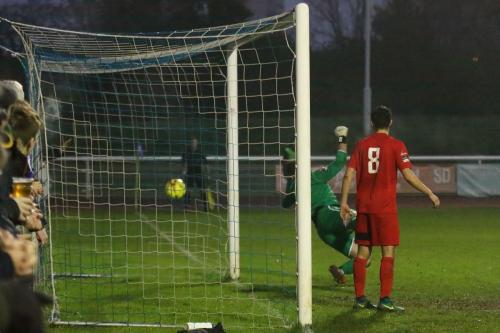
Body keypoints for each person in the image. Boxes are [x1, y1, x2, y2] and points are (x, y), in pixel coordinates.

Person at [340, 105, 440, 311]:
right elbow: (408, 174)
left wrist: (343, 202)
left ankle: (360, 299)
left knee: (362, 254)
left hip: (364, 208)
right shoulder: (396, 145)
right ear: (391, 122)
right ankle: (385, 300)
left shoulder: (361, 145)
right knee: (388, 253)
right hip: (385, 209)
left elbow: (348, 174)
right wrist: (429, 192)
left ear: (372, 123)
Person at [282, 126, 360, 284]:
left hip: (324, 231)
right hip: (328, 214)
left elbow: (285, 204)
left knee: (363, 258)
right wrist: (342, 137)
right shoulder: (313, 177)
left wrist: (291, 185)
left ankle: (341, 270)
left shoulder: (292, 188)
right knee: (364, 219)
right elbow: (339, 162)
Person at [181, 135, 209, 209]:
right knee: (188, 189)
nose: (193, 144)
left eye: (195, 142)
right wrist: (184, 171)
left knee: (202, 190)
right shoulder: (186, 152)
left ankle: (205, 206)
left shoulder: (200, 152)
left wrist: (207, 172)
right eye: (192, 142)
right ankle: (187, 206)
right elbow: (184, 163)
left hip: (199, 173)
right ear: (190, 143)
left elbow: (205, 163)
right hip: (190, 173)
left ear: (197, 143)